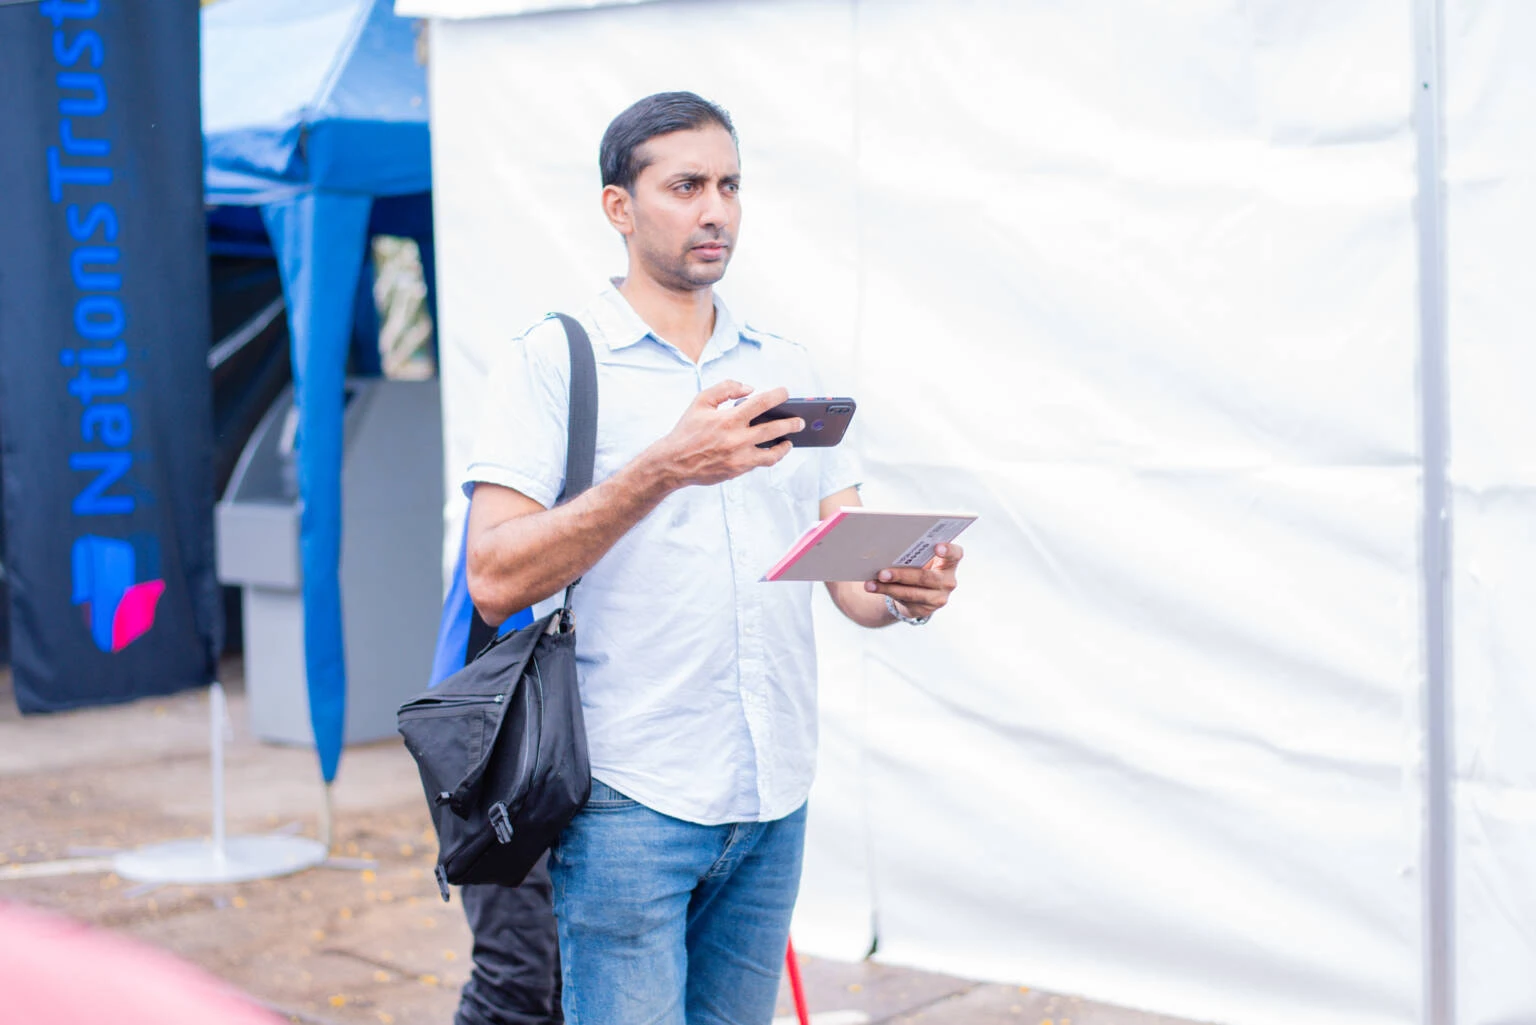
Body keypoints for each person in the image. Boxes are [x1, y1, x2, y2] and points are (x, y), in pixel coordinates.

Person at [462, 91, 964, 1025]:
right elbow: (493, 575)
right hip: (627, 796)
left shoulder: (788, 364)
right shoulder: (556, 359)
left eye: (730, 185)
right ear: (620, 207)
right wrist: (664, 468)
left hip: (772, 792)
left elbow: (847, 580)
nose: (716, 210)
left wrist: (906, 587)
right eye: (686, 185)